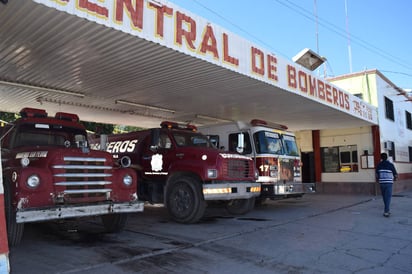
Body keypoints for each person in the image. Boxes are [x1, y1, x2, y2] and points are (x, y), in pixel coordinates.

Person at [376, 152, 398, 217]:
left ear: (381, 158)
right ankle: (386, 211)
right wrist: (395, 179)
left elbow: (377, 175)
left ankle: (386, 209)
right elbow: (395, 174)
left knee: (384, 197)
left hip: (382, 183)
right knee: (388, 197)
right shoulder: (391, 165)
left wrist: (379, 179)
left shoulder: (379, 165)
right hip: (389, 183)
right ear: (387, 157)